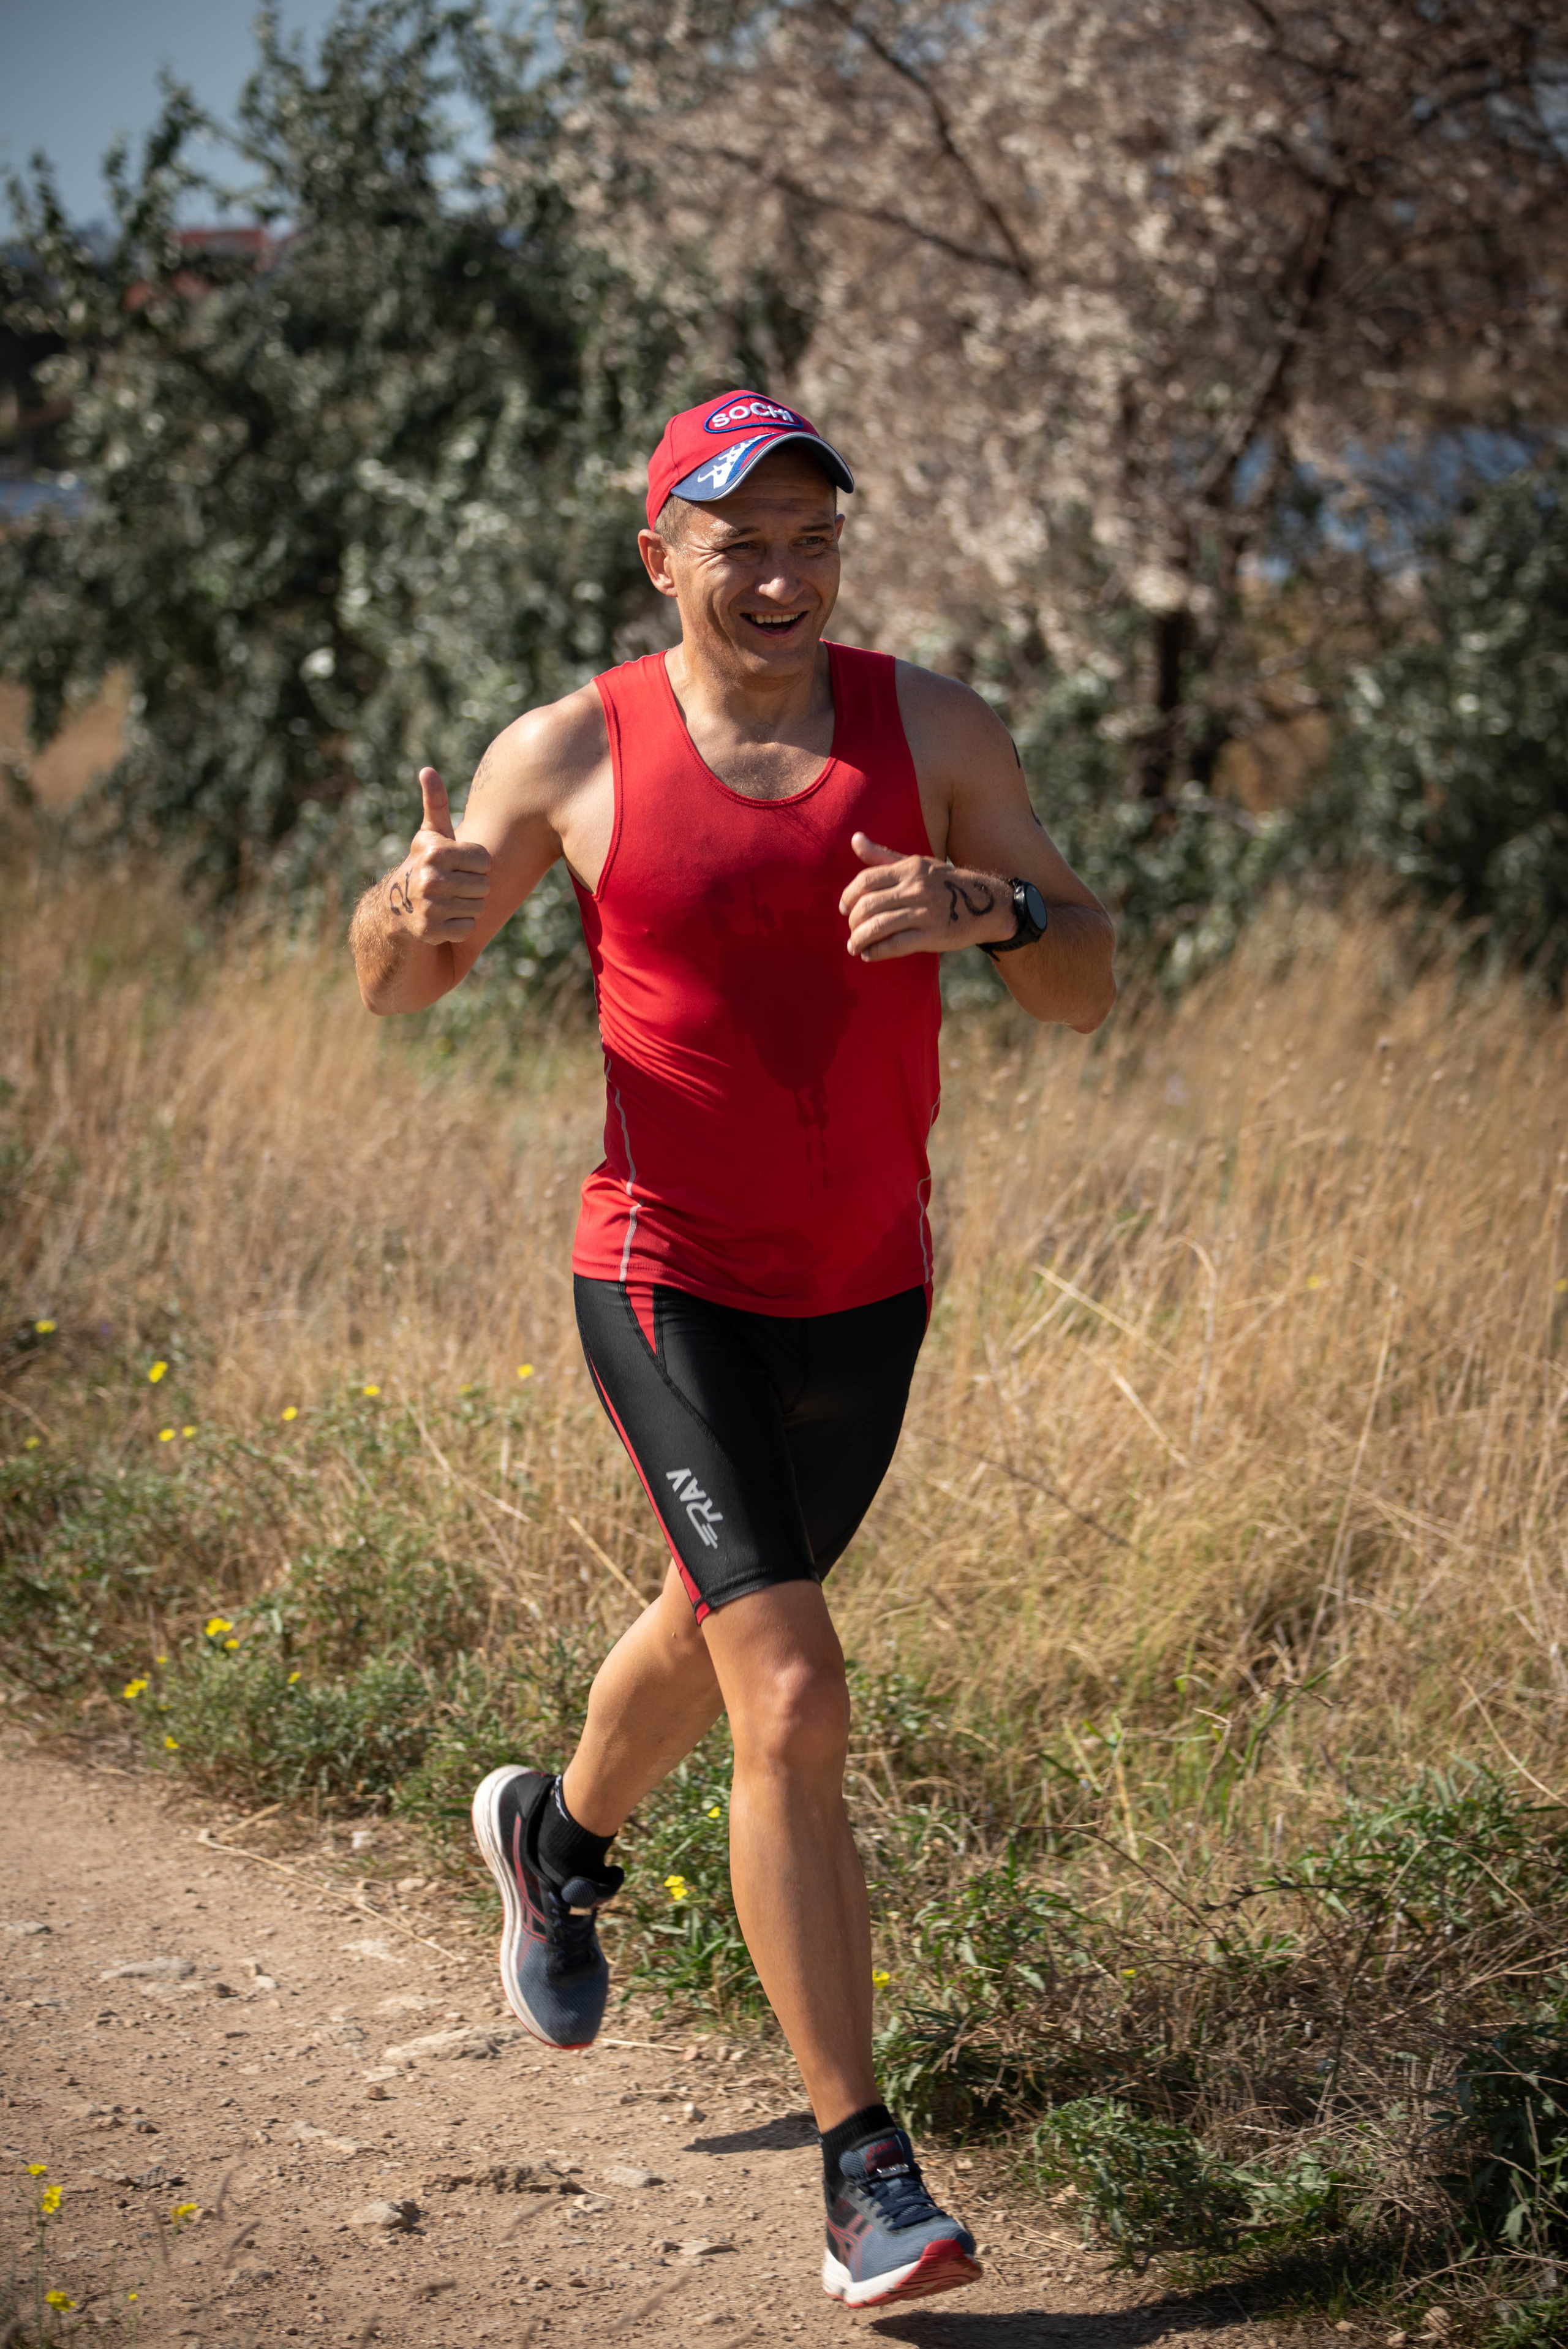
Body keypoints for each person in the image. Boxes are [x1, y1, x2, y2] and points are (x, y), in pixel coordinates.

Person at [349, 388, 1117, 2309]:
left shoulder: (934, 729)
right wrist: (401, 908)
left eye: (810, 538)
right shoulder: (568, 754)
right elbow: (403, 981)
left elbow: (1091, 982)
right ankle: (870, 2173)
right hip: (664, 1270)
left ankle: (553, 1832)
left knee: (714, 1622)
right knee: (787, 1686)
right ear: (662, 555)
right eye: (738, 539)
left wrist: (996, 908)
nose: (779, 574)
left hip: (868, 1288)